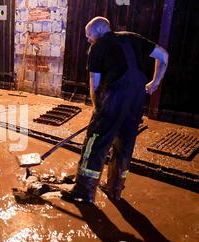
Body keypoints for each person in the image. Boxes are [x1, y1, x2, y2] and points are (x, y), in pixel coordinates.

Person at [62, 17, 169, 203]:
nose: (88, 40)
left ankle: (83, 192)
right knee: (124, 146)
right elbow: (164, 56)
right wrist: (156, 81)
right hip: (136, 102)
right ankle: (114, 189)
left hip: (113, 100)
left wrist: (97, 110)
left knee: (95, 144)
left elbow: (94, 84)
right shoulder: (133, 38)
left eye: (89, 35)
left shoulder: (97, 47)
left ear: (100, 30)